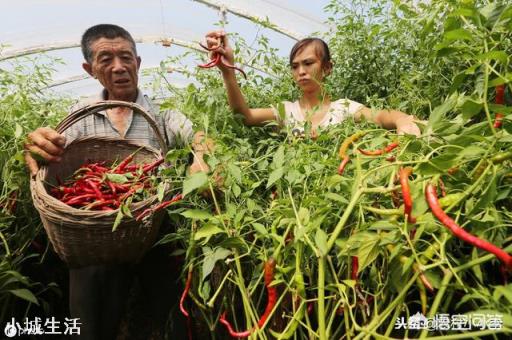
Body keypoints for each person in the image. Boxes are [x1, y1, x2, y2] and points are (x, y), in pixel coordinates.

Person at [24, 24, 211, 340]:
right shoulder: (81, 114)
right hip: (97, 234)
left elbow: (201, 137)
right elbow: (47, 157)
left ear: (138, 63)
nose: (119, 67)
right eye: (106, 58)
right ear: (90, 69)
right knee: (89, 316)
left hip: (152, 226)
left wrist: (203, 157)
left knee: (173, 303)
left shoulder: (164, 113)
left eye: (126, 57)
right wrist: (36, 150)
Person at [203, 31, 421, 137]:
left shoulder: (343, 108)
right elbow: (245, 116)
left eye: (308, 63)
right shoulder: (286, 111)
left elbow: (381, 116)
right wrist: (227, 71)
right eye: (295, 66)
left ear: (327, 68)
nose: (301, 71)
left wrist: (402, 120)